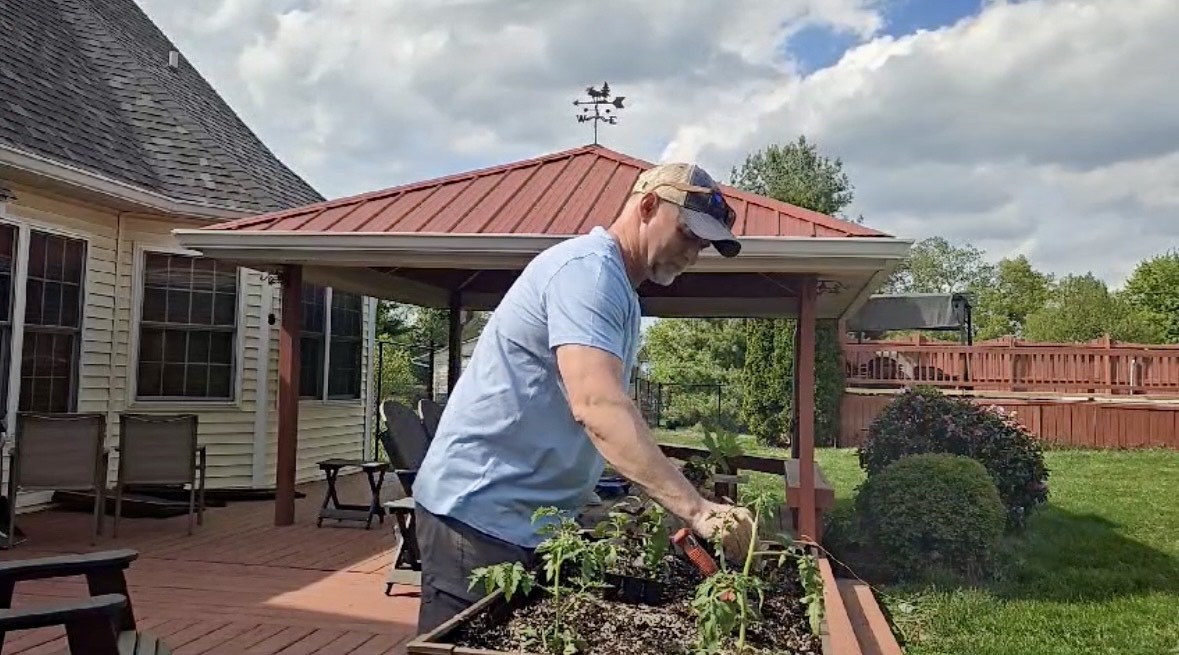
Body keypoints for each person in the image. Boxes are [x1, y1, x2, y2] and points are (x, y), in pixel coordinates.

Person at [411, 161, 756, 634]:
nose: (694, 253)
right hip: (478, 516)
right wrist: (695, 509)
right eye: (688, 233)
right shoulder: (589, 274)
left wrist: (654, 486)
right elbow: (598, 407)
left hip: (525, 522)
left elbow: (605, 415)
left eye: (704, 244)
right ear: (648, 206)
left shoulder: (618, 290)